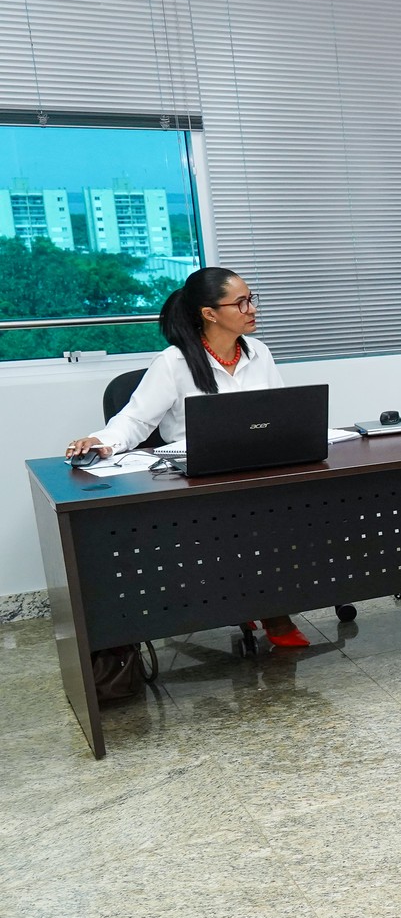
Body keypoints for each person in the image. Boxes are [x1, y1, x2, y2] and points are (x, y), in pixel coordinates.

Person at [64, 267, 309, 648]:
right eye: (241, 302)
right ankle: (271, 610)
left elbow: (277, 410)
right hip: (200, 477)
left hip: (255, 466)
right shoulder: (174, 362)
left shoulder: (259, 352)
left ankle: (265, 600)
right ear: (210, 313)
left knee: (292, 508)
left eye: (251, 299)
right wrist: (101, 441)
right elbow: (135, 418)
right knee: (247, 520)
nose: (252, 308)